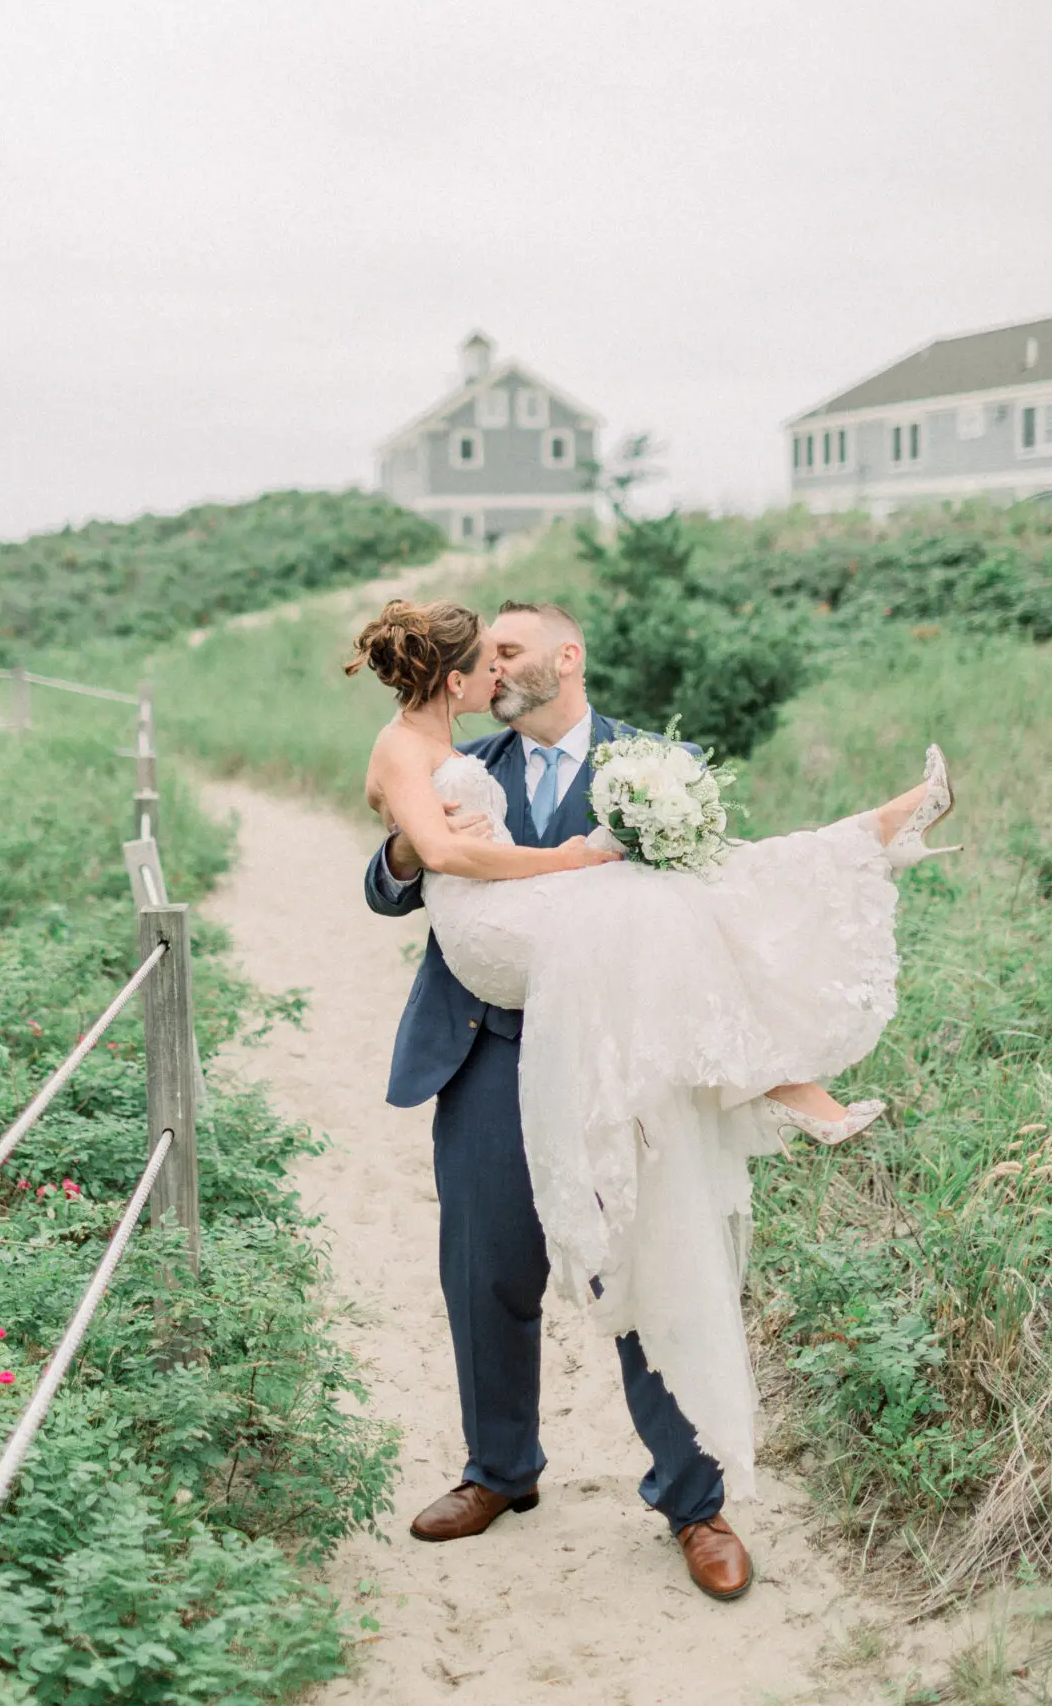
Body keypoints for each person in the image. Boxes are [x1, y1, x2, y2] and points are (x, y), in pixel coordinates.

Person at [357, 596, 957, 1599]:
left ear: (567, 656)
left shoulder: (656, 766)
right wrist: (406, 852)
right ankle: (498, 1470)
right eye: (483, 655)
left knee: (653, 1255)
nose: (491, 669)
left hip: (628, 1058)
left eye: (510, 650)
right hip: (485, 1047)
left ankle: (692, 1501)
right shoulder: (460, 759)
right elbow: (387, 887)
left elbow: (706, 904)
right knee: (484, 1269)